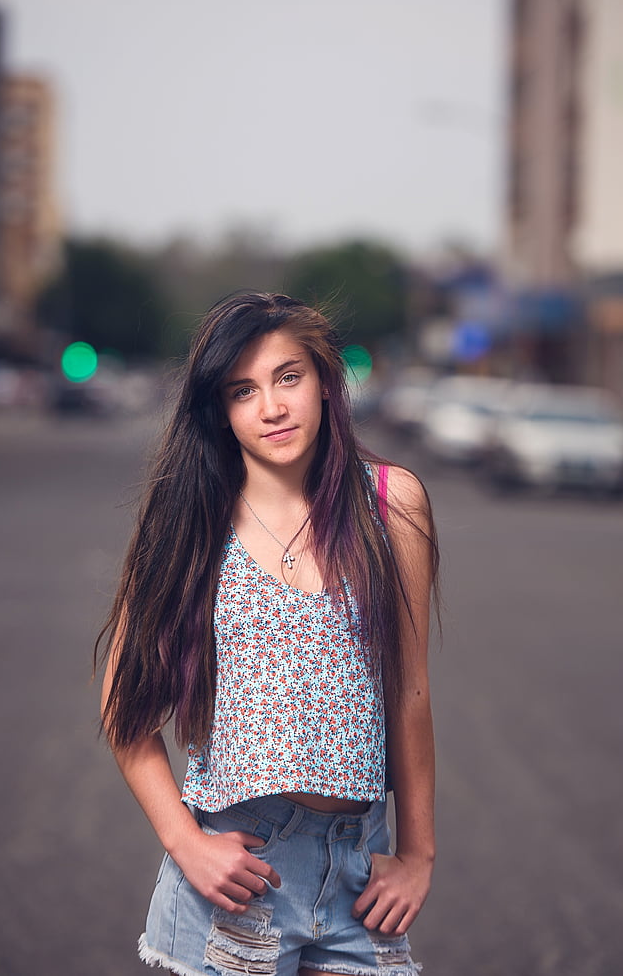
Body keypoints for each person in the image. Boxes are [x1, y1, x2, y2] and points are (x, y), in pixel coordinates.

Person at [96, 291, 439, 976]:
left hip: (357, 876)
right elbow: (123, 706)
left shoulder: (389, 502)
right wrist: (185, 841)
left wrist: (419, 855)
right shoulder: (189, 517)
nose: (272, 407)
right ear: (220, 410)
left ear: (324, 380)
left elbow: (408, 692)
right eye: (243, 390)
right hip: (236, 871)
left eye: (289, 377)